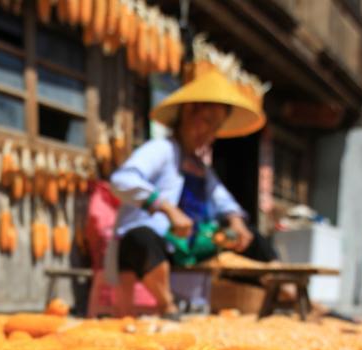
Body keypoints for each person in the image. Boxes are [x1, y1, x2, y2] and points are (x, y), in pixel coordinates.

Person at [107, 70, 264, 319]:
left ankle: (286, 292)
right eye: (206, 121)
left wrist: (236, 222)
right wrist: (167, 208)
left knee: (252, 237)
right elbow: (122, 180)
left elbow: (223, 200)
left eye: (216, 127)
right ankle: (167, 306)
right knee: (140, 237)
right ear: (188, 113)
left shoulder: (202, 168)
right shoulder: (162, 149)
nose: (209, 133)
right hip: (152, 246)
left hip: (188, 250)